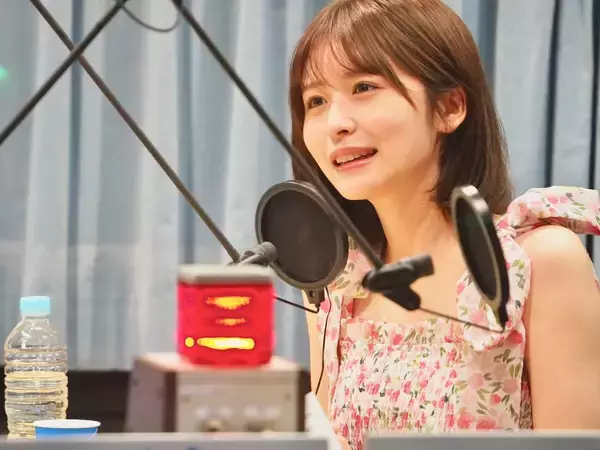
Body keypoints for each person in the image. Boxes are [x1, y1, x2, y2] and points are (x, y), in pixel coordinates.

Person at [286, 0, 600, 449]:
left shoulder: (539, 261)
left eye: (364, 87)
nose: (335, 123)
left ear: (449, 107)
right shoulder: (337, 279)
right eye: (316, 101)